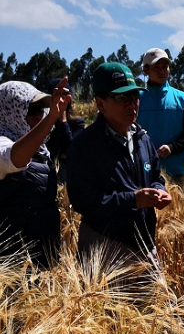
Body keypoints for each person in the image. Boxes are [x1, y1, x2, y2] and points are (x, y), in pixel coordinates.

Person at [67, 61, 172, 269]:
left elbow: (156, 177)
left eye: (134, 96)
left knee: (156, 301)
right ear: (101, 104)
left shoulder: (143, 139)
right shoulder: (84, 146)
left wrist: (160, 190)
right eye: (121, 97)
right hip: (104, 248)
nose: (131, 104)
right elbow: (83, 201)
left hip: (143, 243)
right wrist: (132, 200)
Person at [0, 79, 72, 268]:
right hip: (10, 260)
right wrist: (50, 119)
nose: (38, 116)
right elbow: (14, 158)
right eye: (30, 110)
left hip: (42, 254)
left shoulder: (41, 151)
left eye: (41, 110)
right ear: (10, 111)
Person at [138, 48, 184, 187]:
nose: (161, 71)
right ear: (145, 70)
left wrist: (172, 147)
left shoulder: (183, 99)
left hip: (176, 170)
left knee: (180, 208)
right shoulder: (135, 99)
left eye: (165, 67)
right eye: (156, 67)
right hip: (144, 170)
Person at [45, 77, 86, 183]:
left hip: (67, 169)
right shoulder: (43, 121)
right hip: (47, 167)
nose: (60, 99)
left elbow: (72, 151)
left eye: (63, 95)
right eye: (56, 95)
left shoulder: (77, 123)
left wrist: (63, 120)